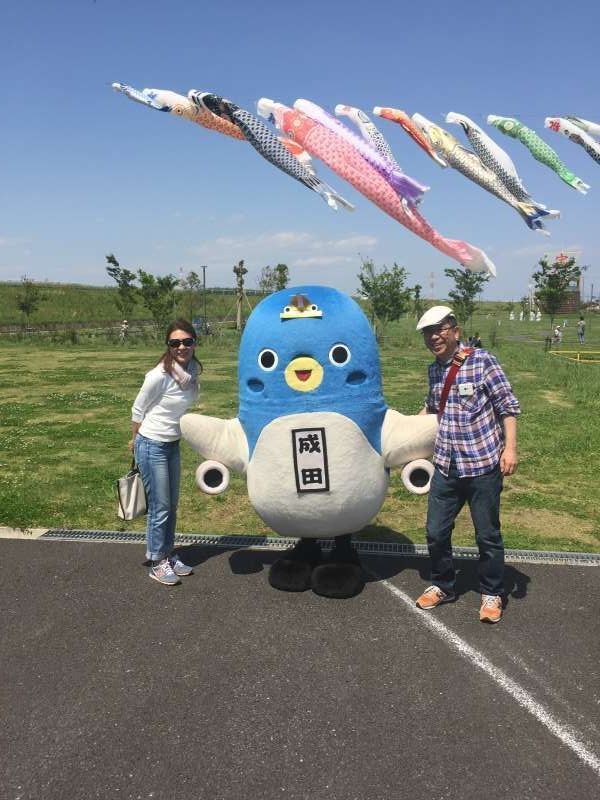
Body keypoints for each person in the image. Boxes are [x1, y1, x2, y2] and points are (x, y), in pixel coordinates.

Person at [414, 306, 520, 623]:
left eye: (440, 329)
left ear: (455, 331)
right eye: (428, 333)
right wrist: (401, 435)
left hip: (483, 465)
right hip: (446, 466)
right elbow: (431, 409)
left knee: (487, 535)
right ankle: (443, 584)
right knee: (435, 532)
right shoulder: (434, 371)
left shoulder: (483, 361)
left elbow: (508, 406)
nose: (434, 337)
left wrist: (510, 449)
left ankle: (492, 592)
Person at [130, 320, 201, 585]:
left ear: (195, 342)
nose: (181, 347)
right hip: (151, 444)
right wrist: (134, 439)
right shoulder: (159, 375)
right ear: (168, 346)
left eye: (186, 341)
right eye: (175, 343)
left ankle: (168, 555)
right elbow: (138, 409)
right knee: (160, 507)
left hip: (171, 443)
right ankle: (157, 561)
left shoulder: (191, 371)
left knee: (171, 504)